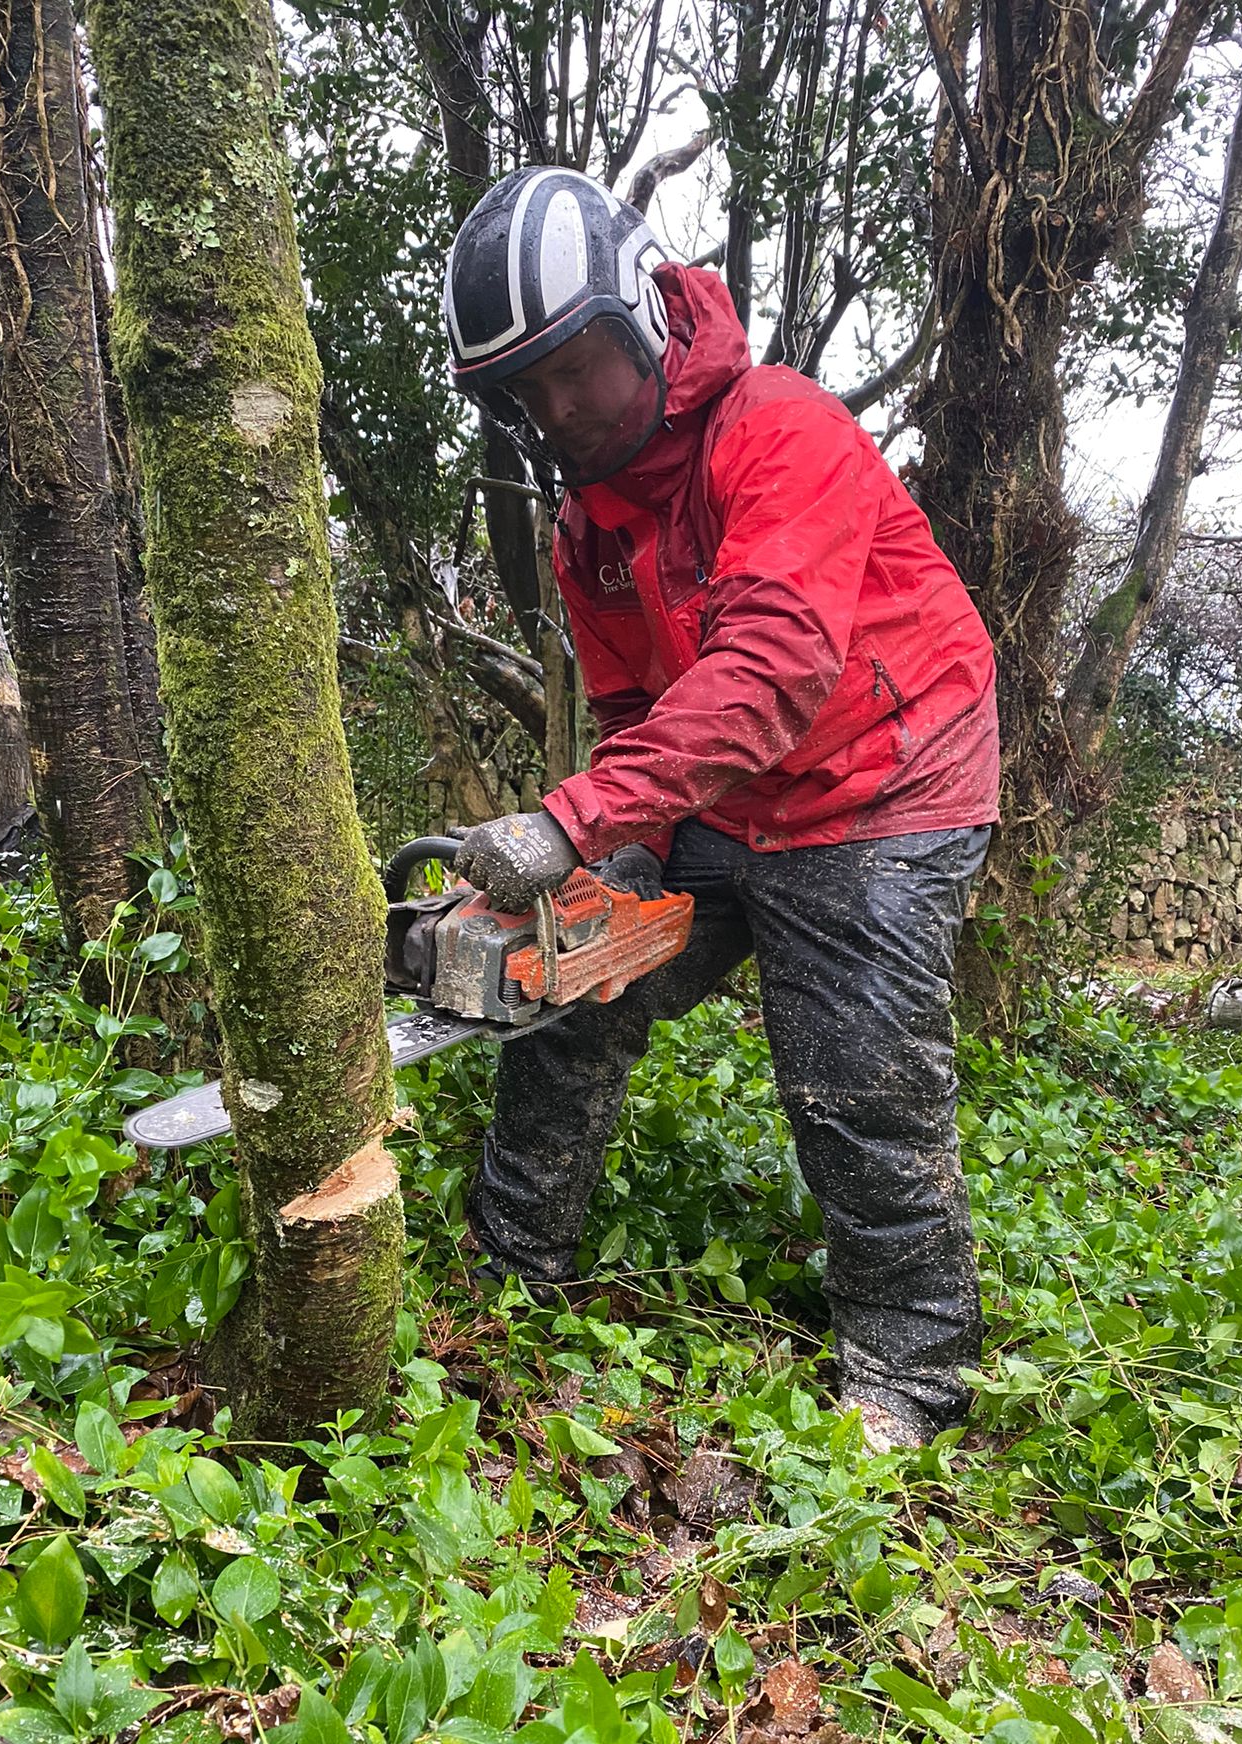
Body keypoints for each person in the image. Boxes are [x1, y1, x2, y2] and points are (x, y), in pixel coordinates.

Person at [440, 167, 1000, 1451]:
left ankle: (910, 1366)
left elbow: (775, 667)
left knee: (851, 1074)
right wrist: (593, 864)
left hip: (886, 779)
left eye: (576, 363)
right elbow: (646, 719)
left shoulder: (779, 427)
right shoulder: (591, 527)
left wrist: (571, 820)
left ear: (638, 315)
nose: (563, 405)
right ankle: (512, 1260)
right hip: (726, 790)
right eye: (531, 388)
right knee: (565, 976)